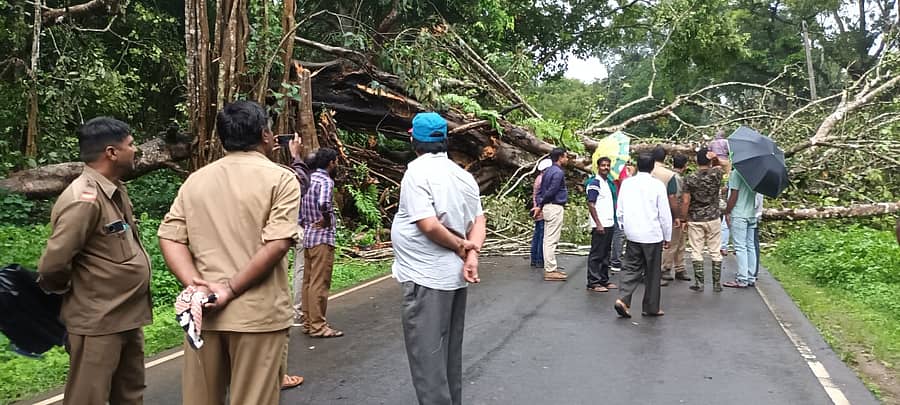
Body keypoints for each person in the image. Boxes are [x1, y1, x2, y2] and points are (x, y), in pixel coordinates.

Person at [158, 100, 299, 405]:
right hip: (258, 315)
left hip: (204, 314)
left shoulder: (196, 180)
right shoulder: (281, 179)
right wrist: (231, 289)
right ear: (265, 135)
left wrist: (195, 284)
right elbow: (277, 243)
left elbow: (170, 237)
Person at [37, 117, 151, 405]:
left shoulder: (114, 189)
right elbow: (53, 266)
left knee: (130, 394)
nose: (135, 150)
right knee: (89, 398)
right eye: (131, 145)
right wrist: (79, 295)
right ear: (111, 152)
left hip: (127, 315)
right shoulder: (83, 199)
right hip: (98, 320)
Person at [391, 112, 486, 405]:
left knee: (428, 359)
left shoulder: (416, 174)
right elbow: (479, 220)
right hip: (453, 278)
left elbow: (429, 225)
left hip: (426, 278)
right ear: (445, 140)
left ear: (413, 140)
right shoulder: (462, 174)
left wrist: (461, 247)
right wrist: (473, 254)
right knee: (447, 353)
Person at [613, 153, 672, 318]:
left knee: (630, 267)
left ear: (637, 166)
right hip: (652, 234)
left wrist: (624, 226)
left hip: (633, 233)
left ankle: (623, 298)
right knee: (652, 272)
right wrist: (667, 236)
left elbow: (620, 208)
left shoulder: (627, 184)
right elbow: (664, 214)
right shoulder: (657, 185)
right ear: (653, 166)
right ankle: (651, 307)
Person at [300, 147, 343, 337]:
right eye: (336, 161)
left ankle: (309, 322)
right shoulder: (326, 181)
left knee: (308, 282)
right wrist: (325, 219)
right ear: (331, 162)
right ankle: (318, 326)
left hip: (308, 235)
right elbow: (324, 203)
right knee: (320, 282)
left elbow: (300, 207)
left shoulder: (307, 179)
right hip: (322, 237)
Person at [681, 148, 725, 292]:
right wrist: (716, 159)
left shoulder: (690, 178)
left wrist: (683, 218)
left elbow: (686, 201)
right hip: (713, 216)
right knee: (715, 250)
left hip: (696, 218)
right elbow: (726, 166)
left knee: (696, 250)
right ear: (710, 161)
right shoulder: (717, 174)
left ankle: (699, 283)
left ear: (696, 161)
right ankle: (717, 283)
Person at [650, 146, 686, 285]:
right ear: (665, 158)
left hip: (647, 213)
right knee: (669, 243)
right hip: (665, 213)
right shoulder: (669, 175)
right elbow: (673, 197)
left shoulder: (642, 173)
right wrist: (678, 216)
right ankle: (662, 269)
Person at [585, 157, 619, 292]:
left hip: (609, 222)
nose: (606, 168)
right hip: (600, 224)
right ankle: (593, 282)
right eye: (603, 165)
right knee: (597, 253)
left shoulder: (607, 183)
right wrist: (598, 223)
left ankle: (604, 279)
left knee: (606, 253)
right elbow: (591, 203)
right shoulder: (595, 182)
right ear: (598, 167)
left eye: (608, 165)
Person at [535, 148, 569, 281]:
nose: (567, 159)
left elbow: (540, 190)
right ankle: (550, 269)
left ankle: (551, 267)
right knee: (551, 239)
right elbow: (552, 190)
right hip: (554, 206)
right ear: (560, 157)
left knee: (548, 238)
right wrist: (542, 203)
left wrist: (540, 204)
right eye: (565, 157)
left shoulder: (548, 171)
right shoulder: (558, 172)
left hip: (548, 206)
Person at [723, 168, 760, 288]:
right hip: (751, 212)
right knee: (750, 245)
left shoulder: (736, 173)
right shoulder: (756, 173)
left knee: (740, 247)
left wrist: (727, 211)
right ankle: (751, 276)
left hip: (739, 213)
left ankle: (742, 278)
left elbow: (734, 194)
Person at [662, 154, 690, 283]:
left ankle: (680, 268)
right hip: (676, 214)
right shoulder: (676, 178)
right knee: (674, 243)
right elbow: (677, 198)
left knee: (680, 243)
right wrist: (680, 216)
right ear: (685, 165)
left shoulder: (671, 175)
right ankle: (666, 268)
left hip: (676, 213)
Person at [609, 162, 635, 272]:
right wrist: (630, 175)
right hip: (619, 202)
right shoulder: (619, 166)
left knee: (610, 232)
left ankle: (610, 258)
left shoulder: (606, 166)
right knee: (619, 233)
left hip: (608, 202)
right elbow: (625, 183)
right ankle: (616, 260)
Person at [529, 159, 552, 268]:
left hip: (536, 208)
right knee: (542, 235)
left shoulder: (538, 178)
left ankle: (534, 259)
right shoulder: (543, 180)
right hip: (541, 210)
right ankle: (539, 259)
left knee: (537, 234)